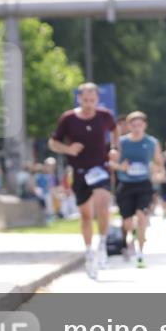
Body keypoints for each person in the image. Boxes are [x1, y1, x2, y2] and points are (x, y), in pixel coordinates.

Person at [48, 83, 119, 280]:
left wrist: (114, 148)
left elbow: (115, 130)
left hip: (101, 168)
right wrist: (68, 150)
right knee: (86, 216)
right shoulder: (68, 118)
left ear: (97, 99)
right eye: (85, 100)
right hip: (79, 172)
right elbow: (53, 142)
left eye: (92, 100)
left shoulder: (104, 115)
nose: (89, 104)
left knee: (103, 208)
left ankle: (103, 244)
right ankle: (89, 251)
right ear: (79, 98)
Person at [109, 111, 162, 268]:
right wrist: (120, 167)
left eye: (140, 124)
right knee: (127, 222)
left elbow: (159, 162)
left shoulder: (152, 142)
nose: (137, 127)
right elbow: (111, 163)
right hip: (125, 185)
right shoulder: (121, 142)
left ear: (145, 125)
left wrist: (159, 172)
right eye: (133, 124)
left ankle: (140, 252)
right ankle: (131, 237)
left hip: (144, 184)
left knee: (141, 216)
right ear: (128, 126)